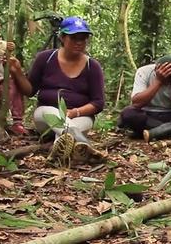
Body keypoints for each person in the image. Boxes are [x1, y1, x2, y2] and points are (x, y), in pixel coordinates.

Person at [9, 16, 106, 163]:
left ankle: (59, 151)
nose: (79, 42)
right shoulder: (45, 58)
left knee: (66, 134)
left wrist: (75, 112)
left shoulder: (92, 66)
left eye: (83, 38)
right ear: (62, 37)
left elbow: (98, 103)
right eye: (74, 38)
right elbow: (30, 91)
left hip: (80, 117)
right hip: (46, 115)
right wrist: (16, 71)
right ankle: (85, 144)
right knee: (52, 112)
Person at [118, 55, 171, 142]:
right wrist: (159, 81)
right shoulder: (144, 72)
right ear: (156, 70)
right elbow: (136, 103)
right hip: (148, 115)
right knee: (128, 113)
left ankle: (155, 133)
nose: (168, 81)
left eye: (170, 77)